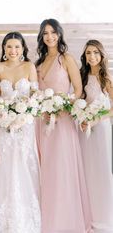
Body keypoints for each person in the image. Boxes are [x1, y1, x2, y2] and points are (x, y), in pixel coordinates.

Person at [35, 19, 92, 233]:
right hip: (42, 122)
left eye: (53, 32)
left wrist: (61, 107)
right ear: (41, 36)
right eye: (46, 33)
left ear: (59, 34)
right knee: (46, 169)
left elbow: (77, 89)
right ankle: (48, 217)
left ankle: (66, 219)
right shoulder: (38, 62)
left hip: (63, 121)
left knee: (62, 169)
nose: (50, 37)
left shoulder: (65, 58)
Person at [0, 31, 41, 233]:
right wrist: (4, 116)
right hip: (4, 124)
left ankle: (28, 213)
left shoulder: (29, 66)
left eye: (17, 46)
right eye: (9, 46)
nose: (13, 50)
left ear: (23, 48)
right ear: (4, 49)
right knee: (7, 163)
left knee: (25, 162)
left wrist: (25, 112)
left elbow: (35, 95)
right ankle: (6, 216)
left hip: (26, 124)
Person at [79, 39, 113, 233]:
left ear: (101, 55)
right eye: (88, 53)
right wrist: (83, 118)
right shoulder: (83, 77)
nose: (92, 56)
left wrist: (95, 119)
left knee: (101, 170)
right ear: (85, 56)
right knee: (86, 170)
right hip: (85, 130)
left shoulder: (106, 79)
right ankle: (87, 214)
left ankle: (103, 216)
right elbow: (79, 101)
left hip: (101, 129)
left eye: (95, 53)